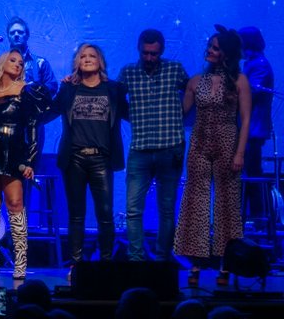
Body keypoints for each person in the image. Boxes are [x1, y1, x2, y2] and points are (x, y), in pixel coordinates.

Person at [174, 27, 251, 287]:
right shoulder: (196, 81)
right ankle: (195, 264)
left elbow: (247, 119)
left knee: (227, 205)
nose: (209, 50)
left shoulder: (239, 80)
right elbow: (182, 112)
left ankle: (225, 264)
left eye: (216, 48)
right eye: (209, 46)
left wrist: (240, 152)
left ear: (226, 53)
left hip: (228, 141)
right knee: (195, 203)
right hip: (199, 141)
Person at [46, 43, 128, 272]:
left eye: (92, 55)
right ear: (77, 62)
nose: (88, 59)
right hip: (74, 158)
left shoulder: (113, 89)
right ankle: (76, 265)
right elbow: (50, 111)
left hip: (102, 158)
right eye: (83, 56)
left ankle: (106, 265)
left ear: (100, 61)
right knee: (76, 215)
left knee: (105, 214)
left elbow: (131, 114)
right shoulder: (68, 89)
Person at [0, 49, 51, 280]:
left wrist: (29, 160)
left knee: (16, 204)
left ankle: (21, 262)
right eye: (13, 60)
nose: (18, 64)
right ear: (2, 62)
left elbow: (32, 127)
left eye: (20, 62)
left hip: (14, 155)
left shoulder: (26, 91)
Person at [116, 28, 188, 261]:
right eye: (145, 53)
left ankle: (162, 259)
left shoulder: (174, 69)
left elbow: (195, 92)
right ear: (139, 49)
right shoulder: (128, 72)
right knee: (133, 208)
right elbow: (115, 100)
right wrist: (134, 115)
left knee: (166, 209)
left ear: (161, 51)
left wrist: (180, 113)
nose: (149, 58)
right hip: (140, 149)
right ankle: (136, 259)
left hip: (171, 147)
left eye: (154, 54)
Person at [239, 26, 273, 226]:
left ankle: (259, 220)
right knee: (249, 175)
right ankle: (252, 219)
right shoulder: (252, 63)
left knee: (252, 176)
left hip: (252, 130)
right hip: (249, 129)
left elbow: (250, 95)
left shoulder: (259, 65)